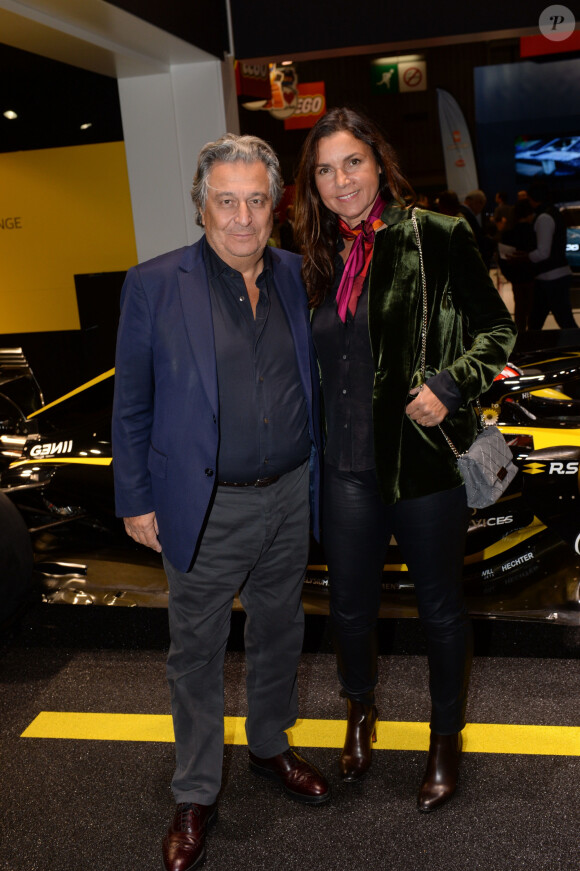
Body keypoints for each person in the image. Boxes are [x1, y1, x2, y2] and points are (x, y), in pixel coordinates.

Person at [112, 133, 328, 871]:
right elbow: (131, 403)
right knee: (196, 654)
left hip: (290, 494)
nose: (242, 217)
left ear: (277, 206)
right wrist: (136, 496)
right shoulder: (154, 283)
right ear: (201, 203)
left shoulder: (302, 276)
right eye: (226, 200)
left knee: (280, 633)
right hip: (203, 505)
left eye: (257, 200)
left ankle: (269, 744)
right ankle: (197, 791)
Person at [294, 107, 516, 812]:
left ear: (378, 162)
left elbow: (499, 326)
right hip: (345, 469)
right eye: (325, 170)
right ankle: (359, 713)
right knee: (351, 612)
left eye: (351, 162)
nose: (340, 180)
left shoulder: (438, 234)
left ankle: (445, 738)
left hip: (422, 464)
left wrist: (451, 384)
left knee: (440, 611)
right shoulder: (312, 257)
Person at [526, 182, 577, 330]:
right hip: (552, 276)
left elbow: (543, 252)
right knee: (539, 321)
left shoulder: (544, 217)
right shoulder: (553, 213)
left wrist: (525, 257)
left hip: (551, 277)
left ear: (533, 198)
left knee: (564, 322)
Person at [498, 198, 536, 331]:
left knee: (519, 308)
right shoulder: (534, 232)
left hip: (517, 277)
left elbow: (502, 258)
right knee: (533, 310)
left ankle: (521, 339)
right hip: (533, 276)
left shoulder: (508, 234)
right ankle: (534, 336)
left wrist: (510, 275)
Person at [458, 189, 495, 269]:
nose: (481, 208)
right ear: (470, 200)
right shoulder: (465, 214)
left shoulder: (464, 212)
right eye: (480, 203)